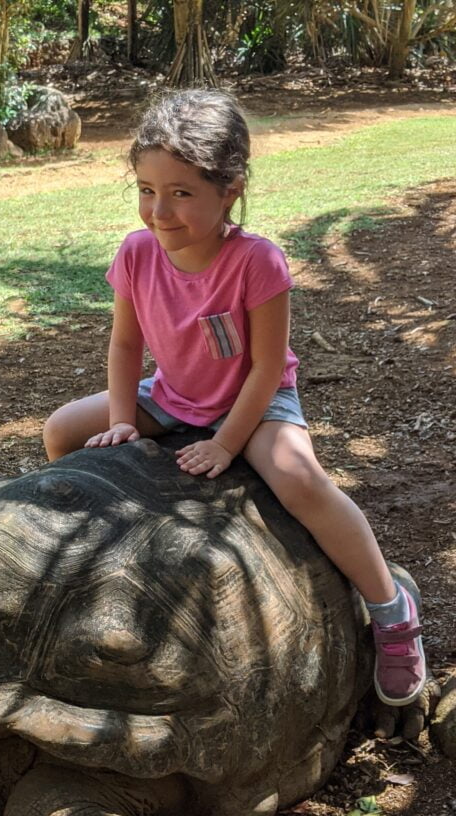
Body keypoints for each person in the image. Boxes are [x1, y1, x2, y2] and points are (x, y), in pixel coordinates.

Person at [43, 88, 425, 707]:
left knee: (300, 481)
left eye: (182, 193)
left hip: (256, 401)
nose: (159, 211)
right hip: (170, 395)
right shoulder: (137, 254)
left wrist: (226, 442)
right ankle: (107, 546)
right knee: (62, 431)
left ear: (231, 190)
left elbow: (268, 367)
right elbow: (123, 346)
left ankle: (391, 609)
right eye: (146, 189)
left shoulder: (256, 262)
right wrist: (120, 421)